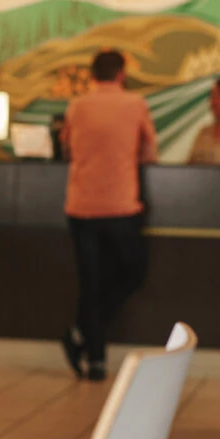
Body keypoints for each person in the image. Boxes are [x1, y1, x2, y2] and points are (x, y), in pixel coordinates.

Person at [59, 50, 158, 381]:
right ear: (121, 74)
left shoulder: (77, 106)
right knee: (133, 273)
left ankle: (93, 355)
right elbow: (150, 152)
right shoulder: (135, 104)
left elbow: (66, 148)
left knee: (91, 283)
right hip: (120, 206)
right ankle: (80, 335)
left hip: (81, 207)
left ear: (93, 75)